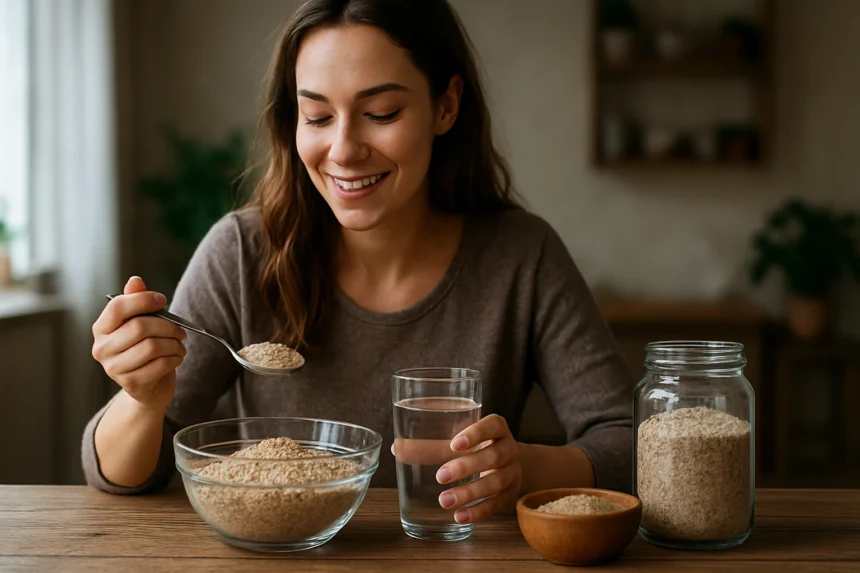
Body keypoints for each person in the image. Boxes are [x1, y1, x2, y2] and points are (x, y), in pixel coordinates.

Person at [84, 0, 632, 525]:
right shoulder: (242, 254)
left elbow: (628, 438)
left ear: (446, 105)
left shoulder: (521, 256)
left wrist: (527, 469)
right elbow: (124, 476)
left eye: (380, 113)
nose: (344, 150)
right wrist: (142, 401)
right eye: (317, 116)